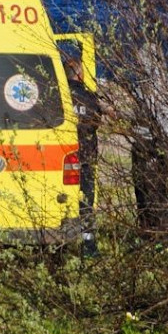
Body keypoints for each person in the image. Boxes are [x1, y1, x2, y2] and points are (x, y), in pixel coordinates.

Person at [65, 57, 100, 257]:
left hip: (62, 157)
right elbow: (96, 122)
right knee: (86, 200)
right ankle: (88, 244)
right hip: (86, 156)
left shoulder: (58, 94)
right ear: (80, 74)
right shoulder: (89, 97)